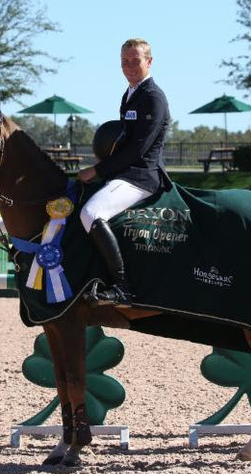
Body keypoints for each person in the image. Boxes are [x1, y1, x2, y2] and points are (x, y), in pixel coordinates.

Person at [77, 38, 171, 305]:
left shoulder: (153, 97)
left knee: (91, 213)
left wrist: (97, 170)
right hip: (124, 174)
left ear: (149, 62)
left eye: (136, 60)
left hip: (142, 176)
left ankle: (122, 287)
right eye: (124, 61)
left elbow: (138, 150)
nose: (129, 66)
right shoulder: (130, 94)